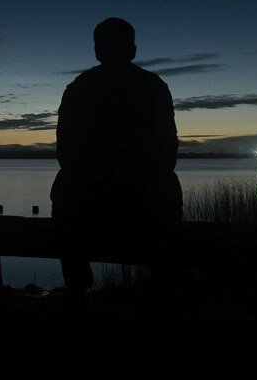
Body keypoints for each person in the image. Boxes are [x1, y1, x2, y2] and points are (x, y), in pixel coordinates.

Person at [50, 17, 183, 294]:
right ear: (132, 50)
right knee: (168, 184)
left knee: (64, 185)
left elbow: (65, 153)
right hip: (146, 206)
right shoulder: (154, 87)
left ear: (97, 51)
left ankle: (78, 287)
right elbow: (168, 152)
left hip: (86, 207)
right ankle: (162, 286)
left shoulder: (77, 89)